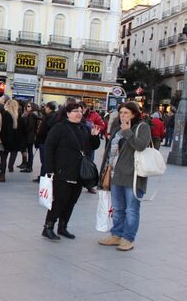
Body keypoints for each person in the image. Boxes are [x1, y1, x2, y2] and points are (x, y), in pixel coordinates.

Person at [42, 102, 101, 240]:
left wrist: (94, 136)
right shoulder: (59, 128)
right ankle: (48, 227)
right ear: (68, 113)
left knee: (71, 201)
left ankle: (63, 227)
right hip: (62, 171)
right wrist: (50, 169)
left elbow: (92, 147)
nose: (79, 113)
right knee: (60, 200)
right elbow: (49, 148)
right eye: (75, 111)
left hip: (79, 172)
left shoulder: (84, 128)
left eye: (80, 111)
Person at [98, 102, 150, 251]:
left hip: (133, 176)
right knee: (118, 208)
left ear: (134, 114)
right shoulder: (117, 128)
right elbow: (110, 151)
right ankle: (116, 235)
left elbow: (141, 146)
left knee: (131, 209)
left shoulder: (142, 127)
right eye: (121, 112)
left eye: (126, 113)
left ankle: (128, 238)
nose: (122, 115)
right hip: (115, 174)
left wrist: (127, 131)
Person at [34, 101, 57, 182]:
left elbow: (42, 131)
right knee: (47, 161)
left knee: (44, 161)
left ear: (48, 108)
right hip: (50, 142)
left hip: (44, 141)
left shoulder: (47, 117)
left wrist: (37, 141)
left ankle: (43, 177)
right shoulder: (56, 116)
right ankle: (44, 176)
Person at [19, 102, 40, 173]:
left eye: (29, 106)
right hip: (31, 136)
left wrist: (25, 132)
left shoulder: (31, 115)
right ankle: (29, 166)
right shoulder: (34, 114)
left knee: (30, 152)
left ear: (32, 107)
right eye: (27, 106)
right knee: (30, 152)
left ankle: (29, 167)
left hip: (29, 136)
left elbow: (30, 127)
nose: (27, 107)